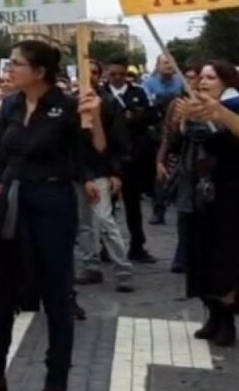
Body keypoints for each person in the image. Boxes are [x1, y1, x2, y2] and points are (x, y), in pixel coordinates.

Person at [0, 41, 106, 391]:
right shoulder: (8, 105)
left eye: (17, 64)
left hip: (52, 206)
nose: (10, 69)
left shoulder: (70, 107)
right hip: (9, 205)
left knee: (55, 297)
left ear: (40, 72)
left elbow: (93, 155)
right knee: (1, 290)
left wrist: (96, 120)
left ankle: (55, 387)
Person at [170, 61, 239, 347]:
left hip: (230, 197)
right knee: (201, 256)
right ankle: (213, 314)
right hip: (198, 196)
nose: (204, 82)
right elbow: (177, 145)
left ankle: (227, 319)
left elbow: (232, 146)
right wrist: (183, 123)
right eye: (201, 77)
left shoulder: (236, 108)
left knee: (227, 258)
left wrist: (207, 127)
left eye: (211, 77)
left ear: (226, 81)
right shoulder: (196, 108)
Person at [75, 61, 135, 293]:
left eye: (93, 73)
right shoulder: (69, 102)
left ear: (99, 76)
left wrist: (116, 172)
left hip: (100, 169)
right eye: (83, 72)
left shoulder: (109, 103)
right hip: (77, 171)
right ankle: (90, 265)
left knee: (104, 220)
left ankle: (123, 269)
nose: (88, 77)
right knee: (84, 224)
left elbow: (118, 142)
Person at [106, 55, 158, 264]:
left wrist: (135, 117)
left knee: (133, 205)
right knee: (106, 207)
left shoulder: (138, 93)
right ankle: (106, 248)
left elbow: (151, 116)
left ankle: (137, 246)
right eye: (113, 74)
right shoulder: (102, 94)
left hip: (133, 156)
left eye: (121, 74)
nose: (118, 78)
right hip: (109, 157)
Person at [157, 64, 202, 274]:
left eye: (196, 77)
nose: (192, 82)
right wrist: (161, 160)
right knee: (184, 211)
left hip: (206, 165)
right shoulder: (177, 104)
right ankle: (182, 256)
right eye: (189, 77)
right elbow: (169, 137)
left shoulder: (211, 104)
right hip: (184, 164)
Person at [144, 55, 184, 225]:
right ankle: (158, 209)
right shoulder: (149, 83)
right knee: (161, 170)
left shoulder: (181, 82)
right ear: (158, 65)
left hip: (179, 128)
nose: (169, 65)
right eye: (165, 62)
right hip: (159, 130)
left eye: (172, 62)